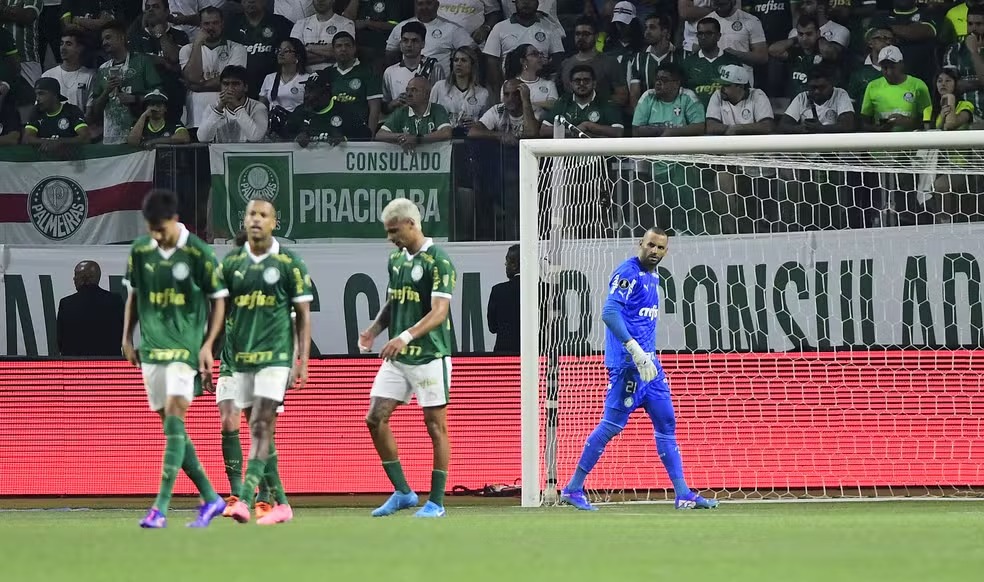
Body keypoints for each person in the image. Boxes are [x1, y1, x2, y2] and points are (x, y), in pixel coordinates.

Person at [560, 228, 719, 512]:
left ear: (665, 251)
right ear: (640, 244)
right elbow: (609, 312)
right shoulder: (628, 273)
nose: (654, 251)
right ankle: (573, 487)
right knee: (611, 426)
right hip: (628, 366)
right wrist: (635, 351)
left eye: (660, 247)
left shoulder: (652, 275)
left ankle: (682, 493)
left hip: (650, 367)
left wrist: (649, 358)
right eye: (650, 245)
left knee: (667, 422)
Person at [122, 189, 227, 528]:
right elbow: (134, 295)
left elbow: (219, 300)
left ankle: (160, 508)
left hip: (185, 349)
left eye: (161, 229)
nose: (157, 235)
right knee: (172, 428)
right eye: (151, 228)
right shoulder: (140, 251)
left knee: (175, 421)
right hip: (151, 350)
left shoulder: (198, 252)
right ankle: (211, 498)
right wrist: (126, 336)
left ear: (174, 220)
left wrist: (208, 345)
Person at [358, 198, 457, 519]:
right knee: (374, 417)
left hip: (430, 355)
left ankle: (437, 502)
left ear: (412, 224)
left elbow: (439, 311)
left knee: (435, 426)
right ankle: (403, 491)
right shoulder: (397, 260)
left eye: (394, 231)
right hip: (398, 357)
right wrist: (374, 329)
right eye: (388, 233)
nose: (391, 238)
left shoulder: (438, 261)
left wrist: (404, 336)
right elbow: (393, 301)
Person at [220, 199, 313, 525]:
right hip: (239, 360)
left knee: (259, 426)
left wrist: (300, 360)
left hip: (275, 358)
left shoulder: (288, 266)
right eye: (251, 215)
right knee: (257, 429)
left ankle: (246, 498)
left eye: (263, 216)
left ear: (274, 222)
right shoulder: (233, 269)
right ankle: (281, 504)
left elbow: (301, 317)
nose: (256, 221)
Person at [56, 260, 124, 357]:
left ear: (84, 279)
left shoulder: (66, 303)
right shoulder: (115, 301)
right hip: (108, 366)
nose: (74, 279)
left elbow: (60, 341)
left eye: (76, 275)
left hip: (75, 366)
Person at [487, 244, 520, 353]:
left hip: (505, 357)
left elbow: (492, 327)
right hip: (537, 356)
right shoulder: (543, 289)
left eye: (507, 261)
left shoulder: (498, 291)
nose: (505, 264)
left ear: (514, 265)